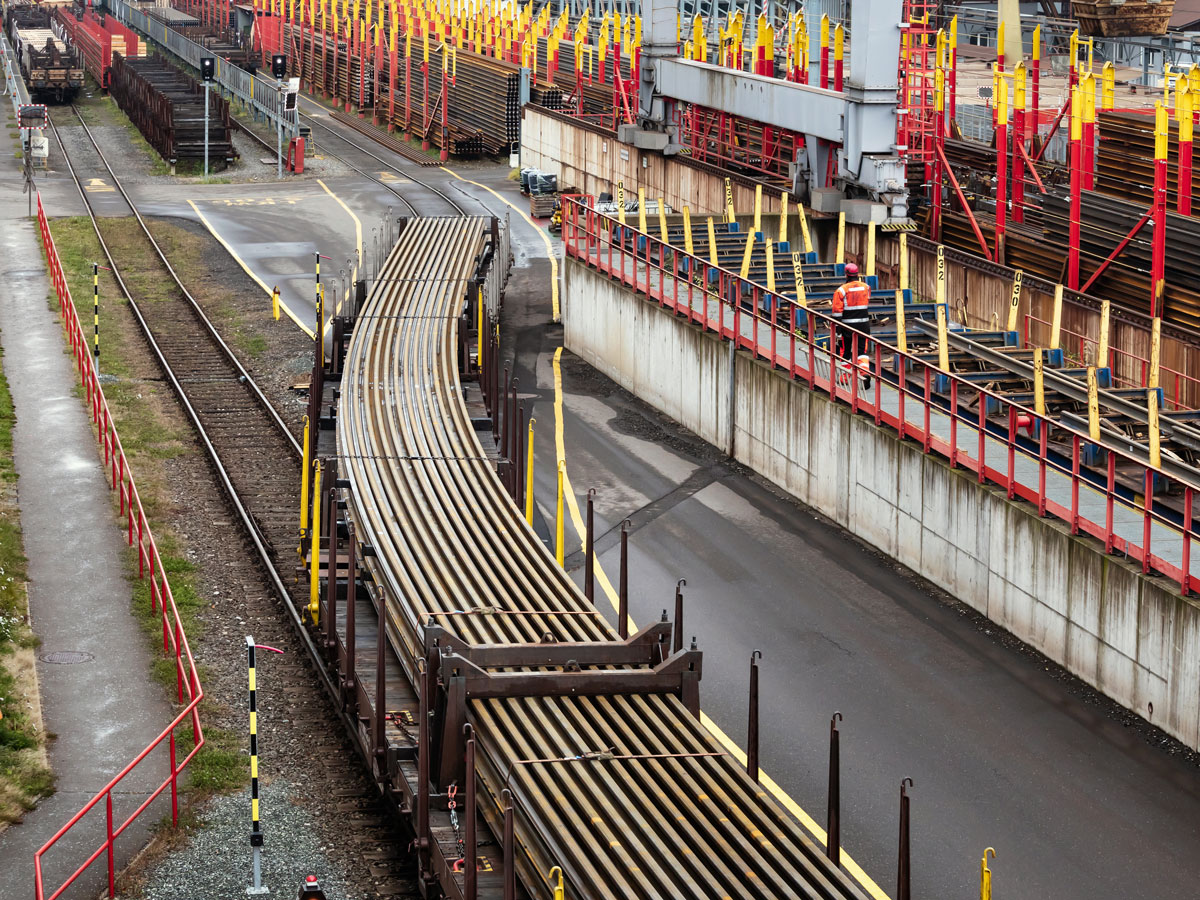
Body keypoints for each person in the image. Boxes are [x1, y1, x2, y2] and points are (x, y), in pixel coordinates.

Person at [830, 262, 872, 359]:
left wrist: (838, 333)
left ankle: (845, 373)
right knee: (861, 352)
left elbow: (836, 314)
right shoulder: (866, 288)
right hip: (863, 326)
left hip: (847, 327)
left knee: (845, 352)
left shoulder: (841, 291)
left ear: (846, 275)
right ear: (857, 274)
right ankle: (863, 372)